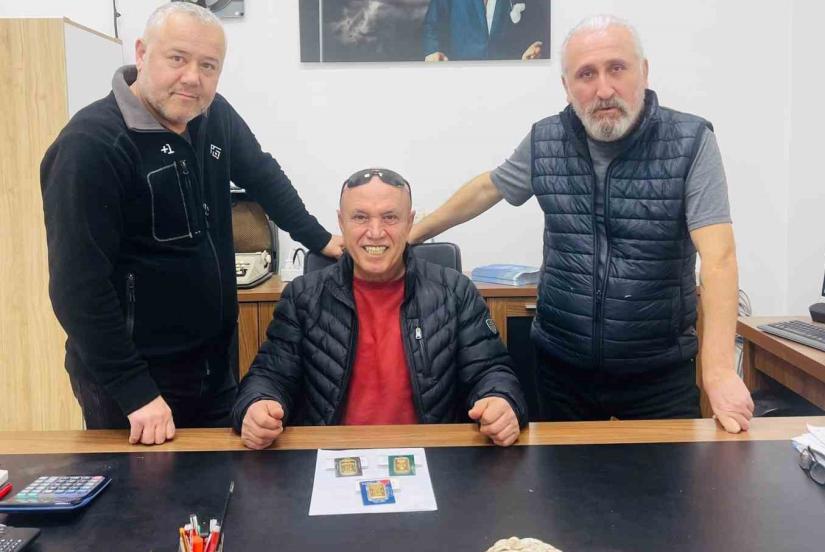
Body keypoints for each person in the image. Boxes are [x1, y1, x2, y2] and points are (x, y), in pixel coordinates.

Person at [409, 15, 755, 433]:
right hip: (560, 370)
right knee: (558, 477)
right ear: (567, 86)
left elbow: (719, 259)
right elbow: (490, 187)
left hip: (658, 375)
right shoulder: (546, 139)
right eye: (586, 74)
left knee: (668, 478)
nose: (604, 89)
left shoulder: (691, 141)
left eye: (617, 68)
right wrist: (412, 234)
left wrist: (718, 370)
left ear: (644, 71)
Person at [40, 2, 343, 445]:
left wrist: (319, 238)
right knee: (144, 490)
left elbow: (263, 175)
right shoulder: (91, 145)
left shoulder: (213, 115)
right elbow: (77, 288)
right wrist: (136, 392)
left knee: (223, 483)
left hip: (214, 367)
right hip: (135, 385)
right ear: (142, 53)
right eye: (177, 58)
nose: (192, 78)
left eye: (208, 66)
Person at [232, 168, 528, 449]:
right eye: (360, 217)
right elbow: (269, 376)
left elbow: (491, 371)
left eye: (390, 217)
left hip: (432, 456)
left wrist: (501, 399)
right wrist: (257, 404)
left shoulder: (455, 292)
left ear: (409, 222)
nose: (375, 232)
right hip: (331, 457)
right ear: (341, 222)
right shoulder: (303, 297)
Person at [422, 0, 548, 61]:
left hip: (508, 75)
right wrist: (433, 51)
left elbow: (540, 25)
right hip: (462, 74)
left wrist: (536, 46)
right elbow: (432, 26)